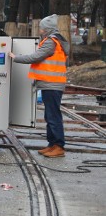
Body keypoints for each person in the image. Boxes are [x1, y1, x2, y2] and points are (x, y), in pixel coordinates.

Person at [9, 14, 68, 158]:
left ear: (47, 29)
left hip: (52, 84)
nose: (39, 30)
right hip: (49, 83)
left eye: (41, 28)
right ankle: (52, 144)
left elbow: (36, 57)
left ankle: (59, 146)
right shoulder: (51, 40)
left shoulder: (51, 42)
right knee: (50, 115)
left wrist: (15, 57)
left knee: (53, 116)